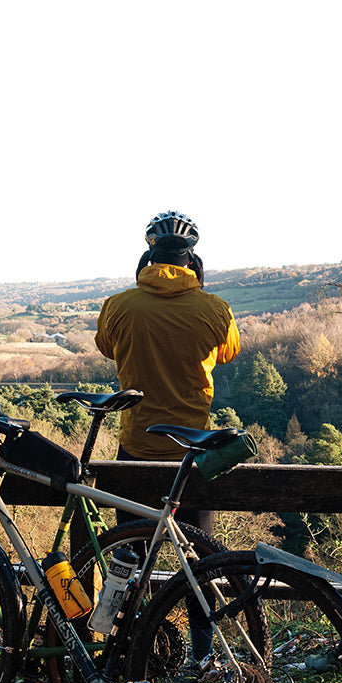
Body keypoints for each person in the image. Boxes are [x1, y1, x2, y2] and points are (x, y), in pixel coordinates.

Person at [95, 211, 240, 535]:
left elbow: (107, 348)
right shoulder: (216, 308)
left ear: (148, 257)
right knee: (200, 552)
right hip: (193, 448)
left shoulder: (118, 306)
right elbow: (228, 353)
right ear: (193, 260)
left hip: (137, 446)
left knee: (129, 552)